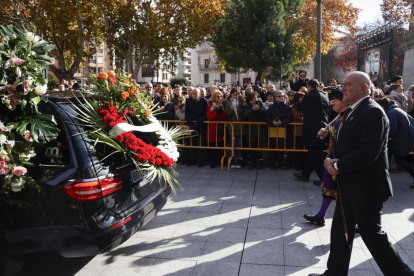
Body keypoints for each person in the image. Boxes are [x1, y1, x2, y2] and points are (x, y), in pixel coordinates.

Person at [309, 71, 414, 276]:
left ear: (364, 88)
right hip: (350, 184)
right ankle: (335, 273)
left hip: (366, 188)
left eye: (348, 84)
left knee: (372, 235)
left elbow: (368, 152)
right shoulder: (353, 110)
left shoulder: (373, 112)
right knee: (340, 231)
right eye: (342, 84)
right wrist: (331, 160)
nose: (343, 88)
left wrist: (336, 166)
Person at [303, 89, 348, 226]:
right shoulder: (339, 116)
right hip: (332, 159)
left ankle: (355, 222)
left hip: (343, 162)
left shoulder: (351, 117)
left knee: (347, 195)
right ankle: (320, 216)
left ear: (345, 101)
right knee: (328, 190)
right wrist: (324, 133)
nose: (332, 102)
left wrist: (339, 164)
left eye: (336, 100)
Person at [293, 79, 330, 185]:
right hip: (322, 128)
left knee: (316, 155)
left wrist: (296, 99)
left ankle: (324, 178)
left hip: (312, 129)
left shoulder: (310, 96)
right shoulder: (324, 96)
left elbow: (300, 106)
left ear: (310, 87)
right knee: (313, 152)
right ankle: (305, 174)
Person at [377, 98, 414, 189]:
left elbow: (393, 129)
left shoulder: (391, 113)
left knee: (398, 159)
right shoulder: (395, 110)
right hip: (406, 138)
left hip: (403, 139)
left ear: (382, 106)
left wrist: (381, 137)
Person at [265, 90, 292, 170]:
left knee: (281, 146)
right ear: (275, 97)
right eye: (279, 96)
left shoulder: (287, 107)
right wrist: (272, 122)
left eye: (282, 96)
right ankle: (273, 162)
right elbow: (266, 117)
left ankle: (280, 162)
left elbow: (290, 118)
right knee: (273, 146)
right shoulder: (271, 107)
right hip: (273, 129)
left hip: (283, 129)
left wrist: (282, 122)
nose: (281, 98)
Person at [243, 92, 267, 170]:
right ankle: (252, 162)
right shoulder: (247, 105)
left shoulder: (260, 103)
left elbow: (265, 111)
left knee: (259, 145)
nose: (255, 99)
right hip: (251, 128)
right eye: (253, 98)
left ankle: (258, 161)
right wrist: (252, 110)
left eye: (256, 97)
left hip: (260, 128)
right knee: (252, 146)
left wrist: (259, 108)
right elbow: (245, 114)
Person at [185, 88, 208, 167]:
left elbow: (205, 114)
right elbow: (187, 114)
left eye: (196, 93)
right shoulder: (188, 101)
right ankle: (192, 160)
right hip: (191, 125)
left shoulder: (204, 101)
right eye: (193, 93)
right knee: (192, 143)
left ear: (200, 94)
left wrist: (198, 122)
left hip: (201, 124)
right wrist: (191, 124)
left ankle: (200, 161)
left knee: (201, 144)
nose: (194, 95)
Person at [206, 90, 227, 168]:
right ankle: (213, 162)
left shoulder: (222, 104)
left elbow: (224, 117)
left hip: (220, 128)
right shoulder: (210, 104)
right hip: (212, 128)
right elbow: (209, 117)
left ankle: (219, 161)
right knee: (212, 147)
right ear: (214, 97)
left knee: (220, 146)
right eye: (218, 96)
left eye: (221, 96)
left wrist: (222, 111)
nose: (219, 98)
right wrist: (216, 112)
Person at [225, 88, 244, 169]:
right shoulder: (227, 101)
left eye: (236, 95)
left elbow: (243, 113)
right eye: (233, 95)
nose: (235, 96)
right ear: (231, 94)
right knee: (232, 143)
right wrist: (232, 109)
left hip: (239, 125)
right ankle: (232, 159)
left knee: (239, 143)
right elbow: (228, 114)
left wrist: (238, 108)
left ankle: (239, 160)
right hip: (231, 125)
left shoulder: (241, 101)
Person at [291, 92, 305, 171]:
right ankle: (297, 165)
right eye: (301, 97)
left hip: (305, 130)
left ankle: (303, 164)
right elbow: (298, 116)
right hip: (298, 130)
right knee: (298, 148)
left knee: (304, 149)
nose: (302, 98)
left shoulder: (306, 105)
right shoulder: (294, 107)